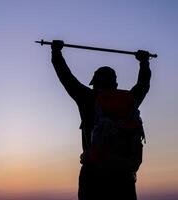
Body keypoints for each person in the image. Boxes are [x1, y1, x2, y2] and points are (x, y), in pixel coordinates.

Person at [50, 40, 151, 200]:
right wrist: (144, 63)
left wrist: (56, 53)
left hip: (93, 174)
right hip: (123, 175)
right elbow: (143, 85)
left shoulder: (87, 98)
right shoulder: (130, 100)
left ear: (95, 83)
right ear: (115, 84)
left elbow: (66, 78)